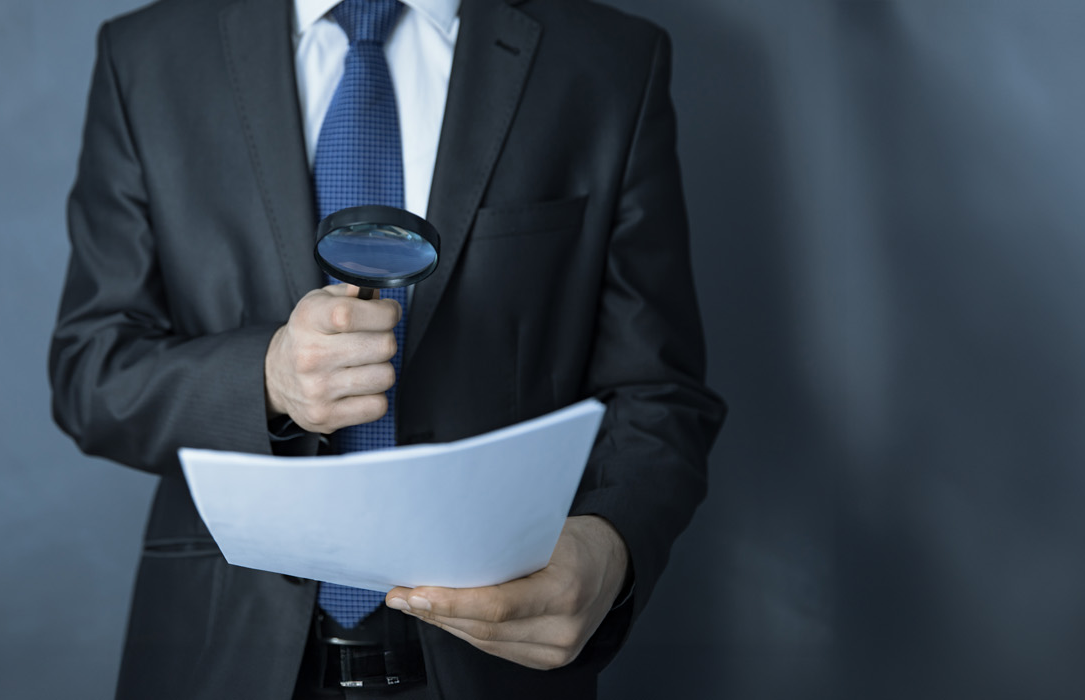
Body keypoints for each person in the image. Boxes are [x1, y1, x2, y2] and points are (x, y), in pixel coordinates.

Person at [48, 0, 723, 696]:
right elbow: (89, 372)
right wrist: (269, 381)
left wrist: (609, 546)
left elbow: (658, 390)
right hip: (222, 651)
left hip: (496, 662)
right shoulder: (148, 56)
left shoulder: (606, 60)